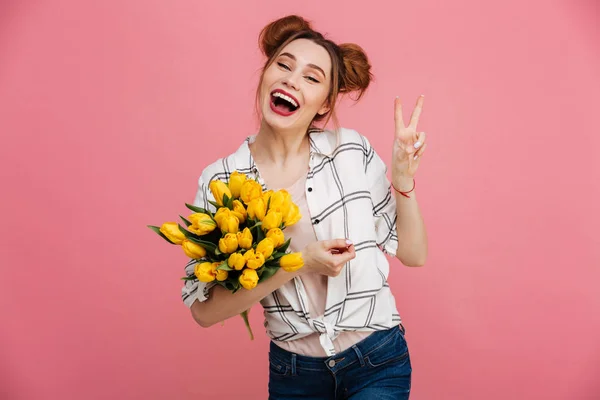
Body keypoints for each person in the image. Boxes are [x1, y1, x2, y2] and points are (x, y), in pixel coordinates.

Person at [181, 15, 428, 400]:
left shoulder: (350, 150)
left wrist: (403, 178)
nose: (291, 80)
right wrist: (297, 264)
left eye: (312, 77)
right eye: (283, 65)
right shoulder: (221, 181)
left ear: (324, 102)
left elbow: (413, 254)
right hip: (294, 374)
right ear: (265, 74)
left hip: (377, 360)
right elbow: (204, 312)